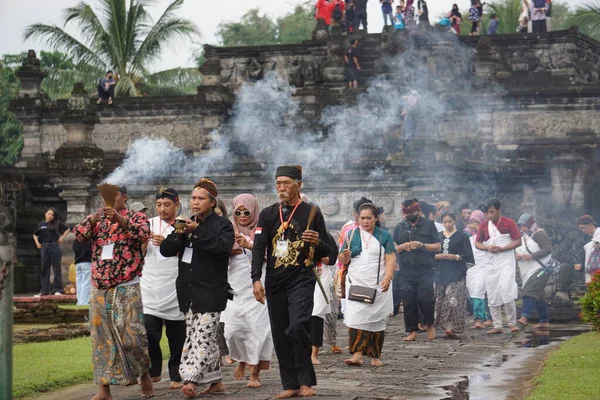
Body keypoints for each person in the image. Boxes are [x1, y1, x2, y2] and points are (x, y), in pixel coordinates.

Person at [251, 165, 334, 399]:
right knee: (280, 332)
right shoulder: (267, 214)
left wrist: (317, 241)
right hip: (275, 280)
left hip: (301, 277)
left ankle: (306, 381)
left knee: (297, 326)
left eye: (286, 183)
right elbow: (259, 248)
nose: (281, 187)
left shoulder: (311, 213)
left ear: (299, 184)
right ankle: (290, 383)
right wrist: (256, 278)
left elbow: (330, 252)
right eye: (278, 183)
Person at [73, 186, 154, 399]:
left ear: (124, 197)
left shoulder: (136, 217)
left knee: (132, 335)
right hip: (100, 285)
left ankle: (144, 372)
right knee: (101, 338)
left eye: (114, 195)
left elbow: (143, 235)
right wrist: (92, 218)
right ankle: (104, 388)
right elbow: (78, 234)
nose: (108, 200)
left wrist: (120, 219)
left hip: (126, 283)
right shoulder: (97, 220)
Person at [160, 179, 234, 399]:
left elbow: (222, 249)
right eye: (193, 198)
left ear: (212, 202)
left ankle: (190, 378)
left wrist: (199, 231)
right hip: (188, 291)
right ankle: (216, 382)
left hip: (211, 291)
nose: (195, 202)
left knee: (200, 337)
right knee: (202, 335)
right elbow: (166, 250)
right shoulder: (185, 222)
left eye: (201, 198)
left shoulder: (223, 225)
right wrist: (177, 233)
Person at [220, 194, 273, 388]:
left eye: (246, 212)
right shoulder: (227, 230)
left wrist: (250, 245)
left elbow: (273, 255)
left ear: (254, 211)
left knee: (257, 330)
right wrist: (231, 246)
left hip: (258, 284)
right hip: (235, 286)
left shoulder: (262, 229)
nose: (242, 216)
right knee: (232, 330)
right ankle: (241, 358)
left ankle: (254, 373)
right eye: (238, 212)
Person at [338, 203, 396, 366]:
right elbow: (342, 260)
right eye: (362, 218)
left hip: (378, 283)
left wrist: (388, 277)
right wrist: (345, 255)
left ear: (375, 218)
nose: (365, 221)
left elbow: (391, 257)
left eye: (369, 218)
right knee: (356, 319)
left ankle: (375, 356)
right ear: (358, 218)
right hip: (356, 281)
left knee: (376, 321)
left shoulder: (384, 235)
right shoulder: (351, 235)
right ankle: (357, 355)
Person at [140, 188, 186, 389]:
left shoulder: (183, 225)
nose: (162, 209)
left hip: (174, 283)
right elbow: (138, 252)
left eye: (167, 205)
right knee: (150, 330)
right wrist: (143, 243)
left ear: (176, 204)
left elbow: (190, 253)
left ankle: (176, 374)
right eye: (159, 205)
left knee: (176, 334)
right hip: (150, 283)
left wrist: (168, 244)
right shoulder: (148, 224)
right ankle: (155, 369)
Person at [393, 198, 441, 341]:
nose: (409, 216)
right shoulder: (400, 227)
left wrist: (422, 245)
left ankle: (429, 325)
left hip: (425, 269)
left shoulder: (429, 225)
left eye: (412, 213)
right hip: (406, 269)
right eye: (407, 214)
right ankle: (411, 331)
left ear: (419, 211)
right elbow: (392, 246)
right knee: (408, 301)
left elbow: (438, 246)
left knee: (426, 299)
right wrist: (401, 247)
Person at [475, 198, 522, 334]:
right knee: (492, 291)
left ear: (499, 210)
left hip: (506, 260)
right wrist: (486, 247)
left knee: (506, 288)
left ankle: (512, 323)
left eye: (492, 212)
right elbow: (477, 243)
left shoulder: (509, 223)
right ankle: (497, 325)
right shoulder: (484, 225)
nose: (490, 215)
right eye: (487, 213)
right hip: (491, 261)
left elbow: (518, 241)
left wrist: (503, 248)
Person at [434, 211, 474, 337]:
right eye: (444, 222)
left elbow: (468, 255)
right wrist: (436, 256)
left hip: (456, 272)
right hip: (441, 271)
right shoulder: (438, 236)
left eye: (449, 221)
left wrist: (455, 256)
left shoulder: (462, 236)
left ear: (454, 221)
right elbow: (431, 253)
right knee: (440, 298)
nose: (447, 224)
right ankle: (443, 325)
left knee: (452, 298)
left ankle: (452, 327)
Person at [515, 213, 553, 329]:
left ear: (530, 224)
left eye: (524, 226)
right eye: (520, 226)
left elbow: (547, 249)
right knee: (538, 295)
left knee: (528, 291)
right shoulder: (522, 236)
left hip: (541, 268)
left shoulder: (540, 234)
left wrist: (531, 256)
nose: (522, 228)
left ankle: (525, 317)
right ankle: (544, 320)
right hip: (527, 270)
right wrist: (518, 256)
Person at [310, 232, 338, 365]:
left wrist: (320, 258)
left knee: (317, 313)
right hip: (299, 277)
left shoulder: (324, 235)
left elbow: (333, 256)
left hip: (320, 275)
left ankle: (314, 353)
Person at [213, 200, 233, 365]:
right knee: (216, 320)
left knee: (225, 318)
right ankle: (221, 352)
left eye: (219, 214)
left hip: (229, 278)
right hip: (211, 278)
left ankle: (226, 351)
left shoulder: (227, 229)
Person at [33, 208, 70, 296]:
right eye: (48, 214)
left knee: (56, 268)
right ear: (45, 214)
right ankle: (44, 290)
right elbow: (34, 234)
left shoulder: (56, 223)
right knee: (44, 268)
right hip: (44, 247)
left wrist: (62, 238)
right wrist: (37, 242)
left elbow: (67, 229)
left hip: (54, 246)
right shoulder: (41, 224)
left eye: (52, 215)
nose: (50, 216)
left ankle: (57, 289)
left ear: (54, 217)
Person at [465, 210, 492, 329]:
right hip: (472, 269)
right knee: (473, 293)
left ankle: (479, 320)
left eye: (477, 222)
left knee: (478, 291)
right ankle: (485, 318)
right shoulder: (470, 239)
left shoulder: (487, 237)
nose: (474, 224)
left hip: (484, 267)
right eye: (472, 222)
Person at [575, 215, 600, 284]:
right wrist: (579, 263)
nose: (583, 230)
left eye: (584, 228)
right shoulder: (585, 238)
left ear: (591, 225)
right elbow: (584, 254)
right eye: (581, 229)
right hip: (591, 273)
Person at [73, 238, 92, 305]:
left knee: (79, 283)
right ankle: (84, 302)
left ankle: (79, 301)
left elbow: (74, 249)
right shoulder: (89, 240)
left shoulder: (76, 240)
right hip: (86, 262)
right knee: (86, 282)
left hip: (78, 262)